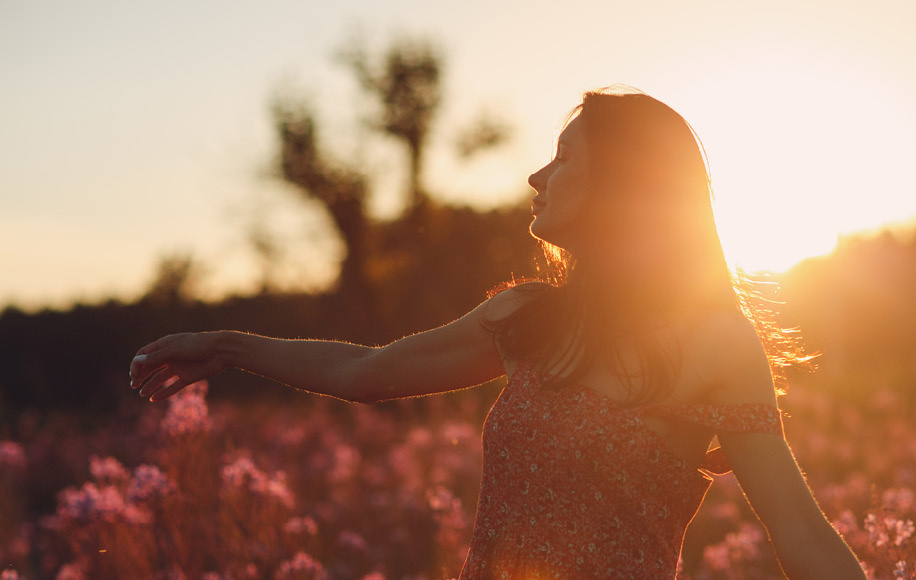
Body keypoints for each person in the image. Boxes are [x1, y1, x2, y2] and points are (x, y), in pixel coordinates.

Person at [129, 87, 867, 579]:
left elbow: (799, 535)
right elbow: (368, 371)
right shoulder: (529, 319)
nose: (536, 178)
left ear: (625, 180)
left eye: (565, 155)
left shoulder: (716, 342)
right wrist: (227, 347)